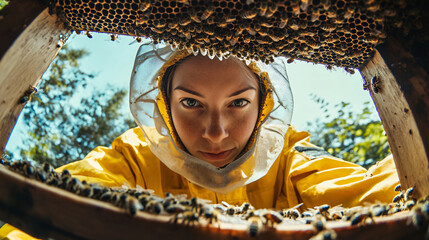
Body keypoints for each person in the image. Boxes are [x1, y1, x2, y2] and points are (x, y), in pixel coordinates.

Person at [0, 44, 399, 239]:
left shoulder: (291, 156)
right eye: (191, 102)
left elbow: (372, 191)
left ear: (263, 106)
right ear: (163, 105)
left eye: (239, 103)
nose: (215, 131)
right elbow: (60, 207)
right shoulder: (135, 155)